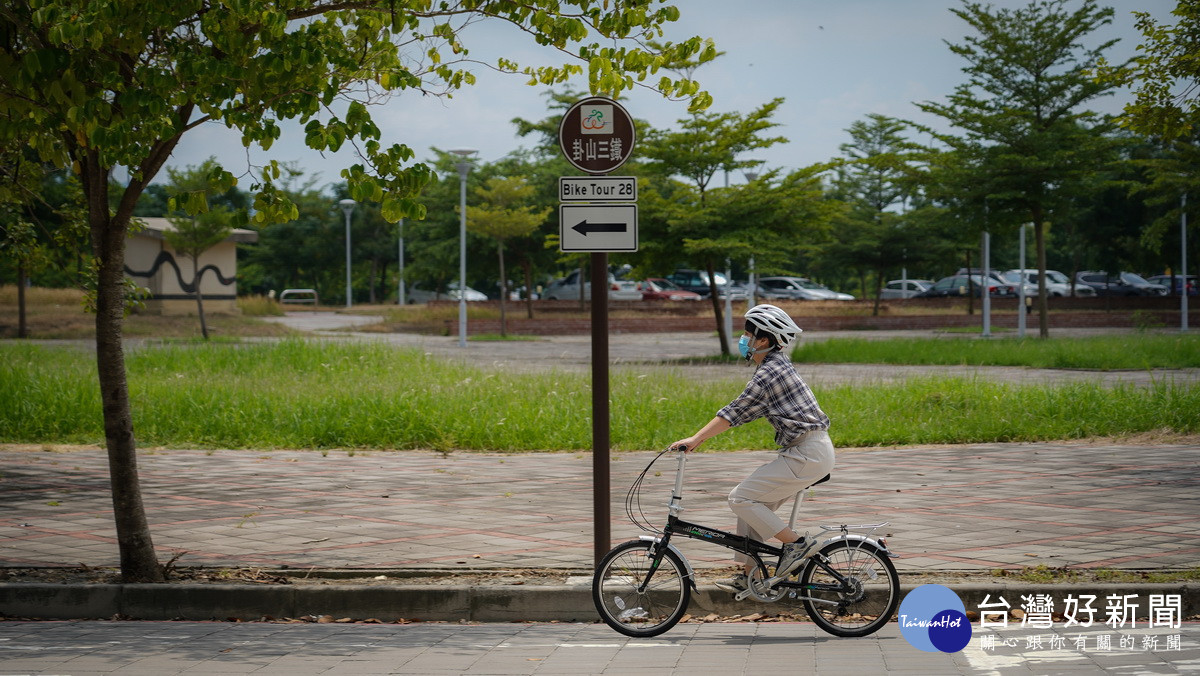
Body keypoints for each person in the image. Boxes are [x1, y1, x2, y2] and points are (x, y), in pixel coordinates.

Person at [670, 304, 835, 593]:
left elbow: (734, 412)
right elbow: (741, 412)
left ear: (764, 341)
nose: (743, 339)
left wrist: (695, 439)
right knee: (754, 509)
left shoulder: (769, 373)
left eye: (748, 334)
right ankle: (751, 576)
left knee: (740, 498)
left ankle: (797, 545)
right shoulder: (775, 366)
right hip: (807, 451)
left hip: (808, 453)